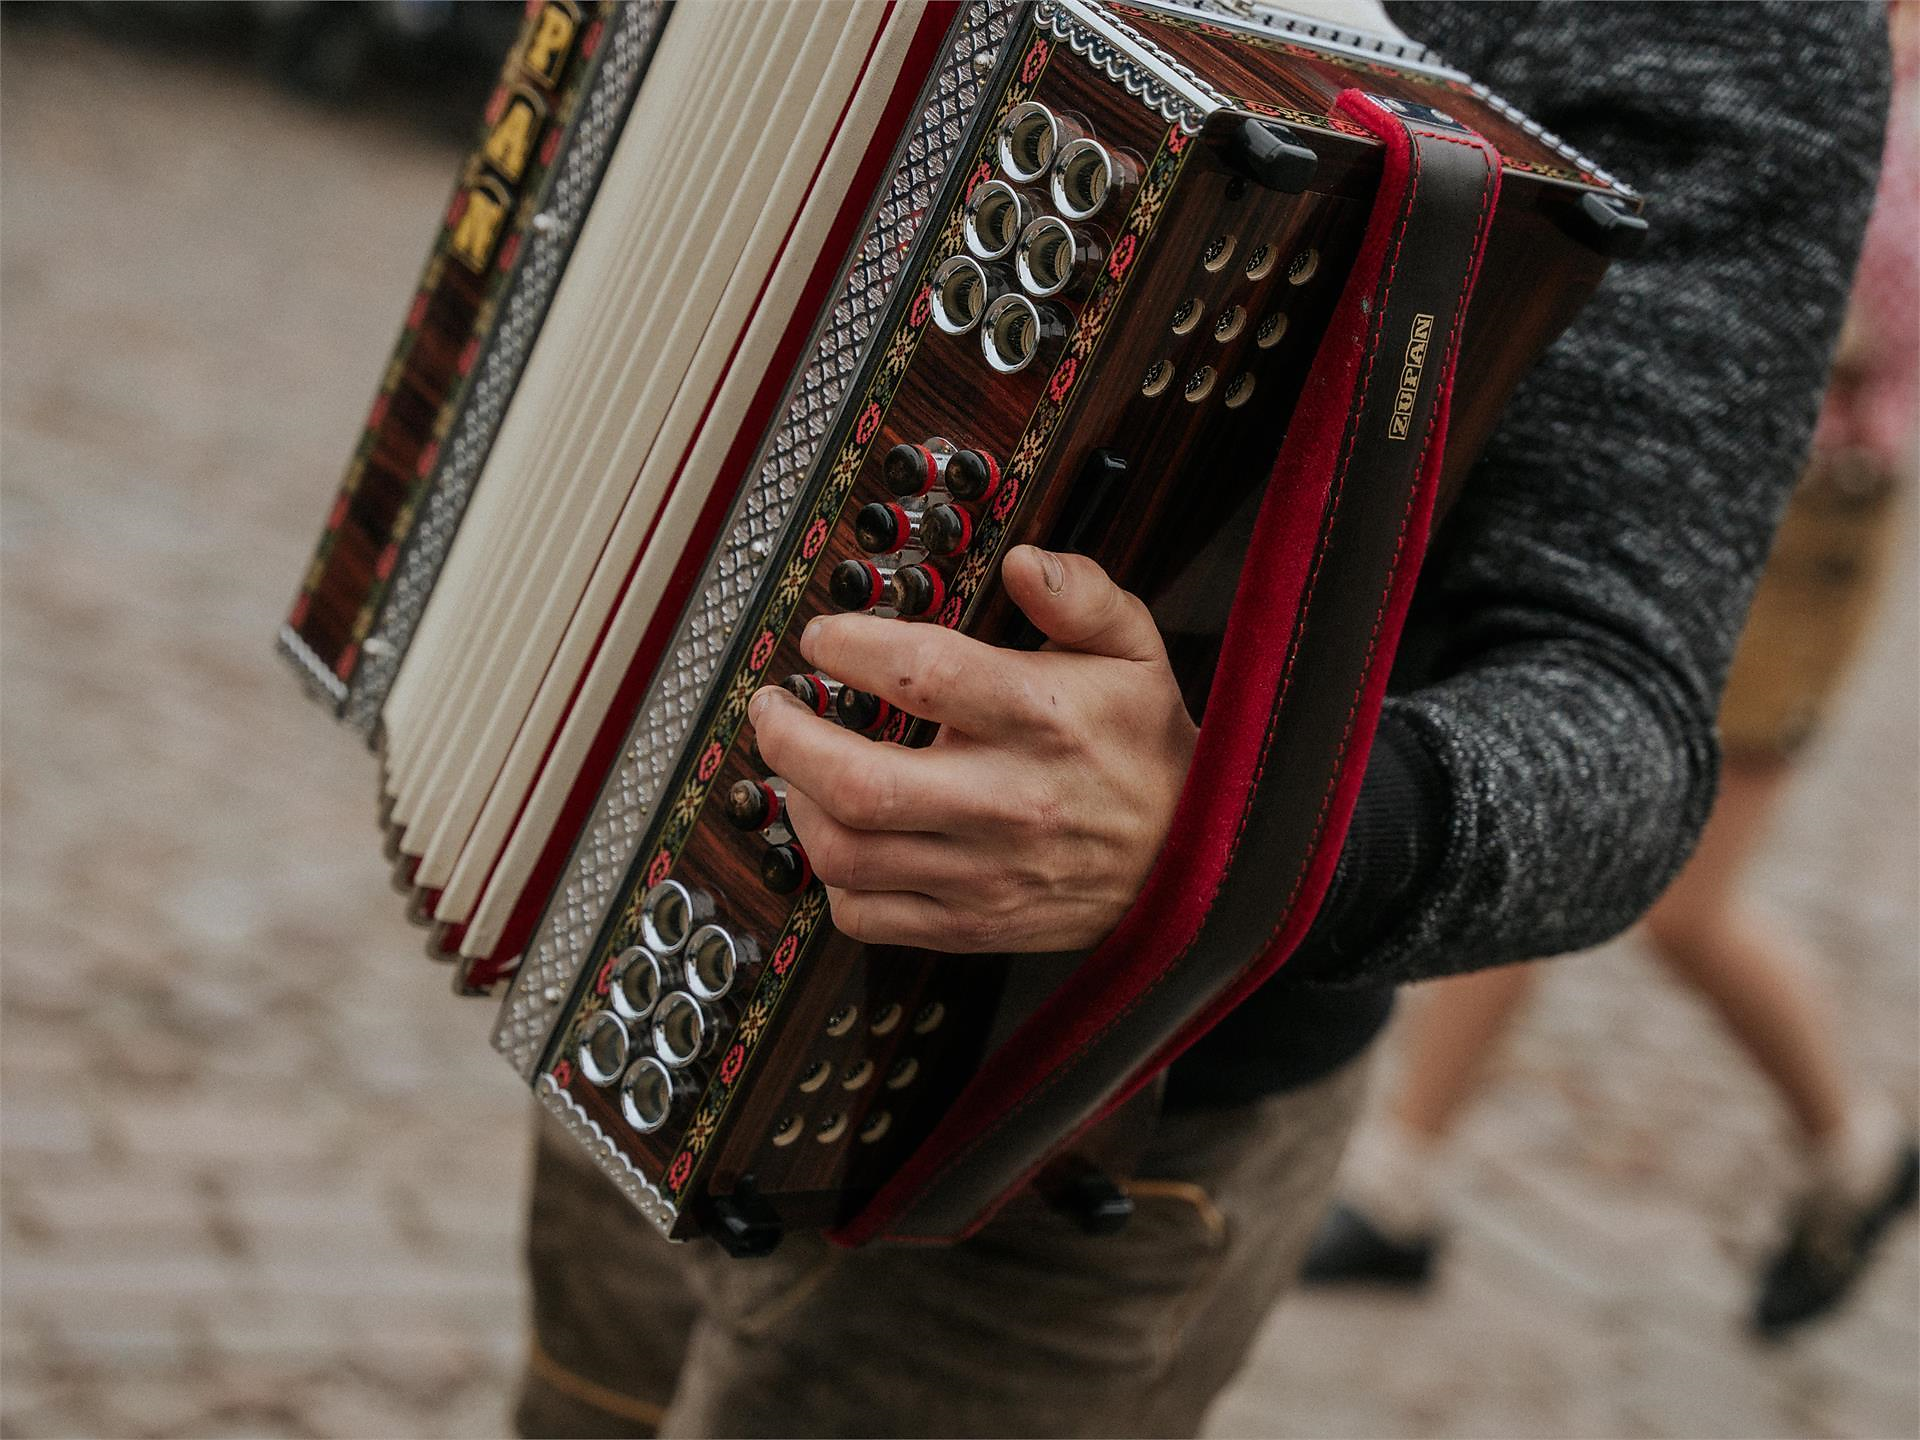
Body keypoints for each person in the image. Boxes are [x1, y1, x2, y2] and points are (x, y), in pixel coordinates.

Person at [514, 6, 1892, 1436]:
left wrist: (1229, 826)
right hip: (653, 902)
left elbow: (1626, 723)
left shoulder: (1747, 29)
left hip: (1042, 1127)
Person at [1303, 9, 1920, 1338]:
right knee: (1522, 751)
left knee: (1686, 899)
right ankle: (1403, 1174)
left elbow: (1876, 310)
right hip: (1698, 487)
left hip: (1807, 521)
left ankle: (1858, 1143)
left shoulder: (1831, 78)